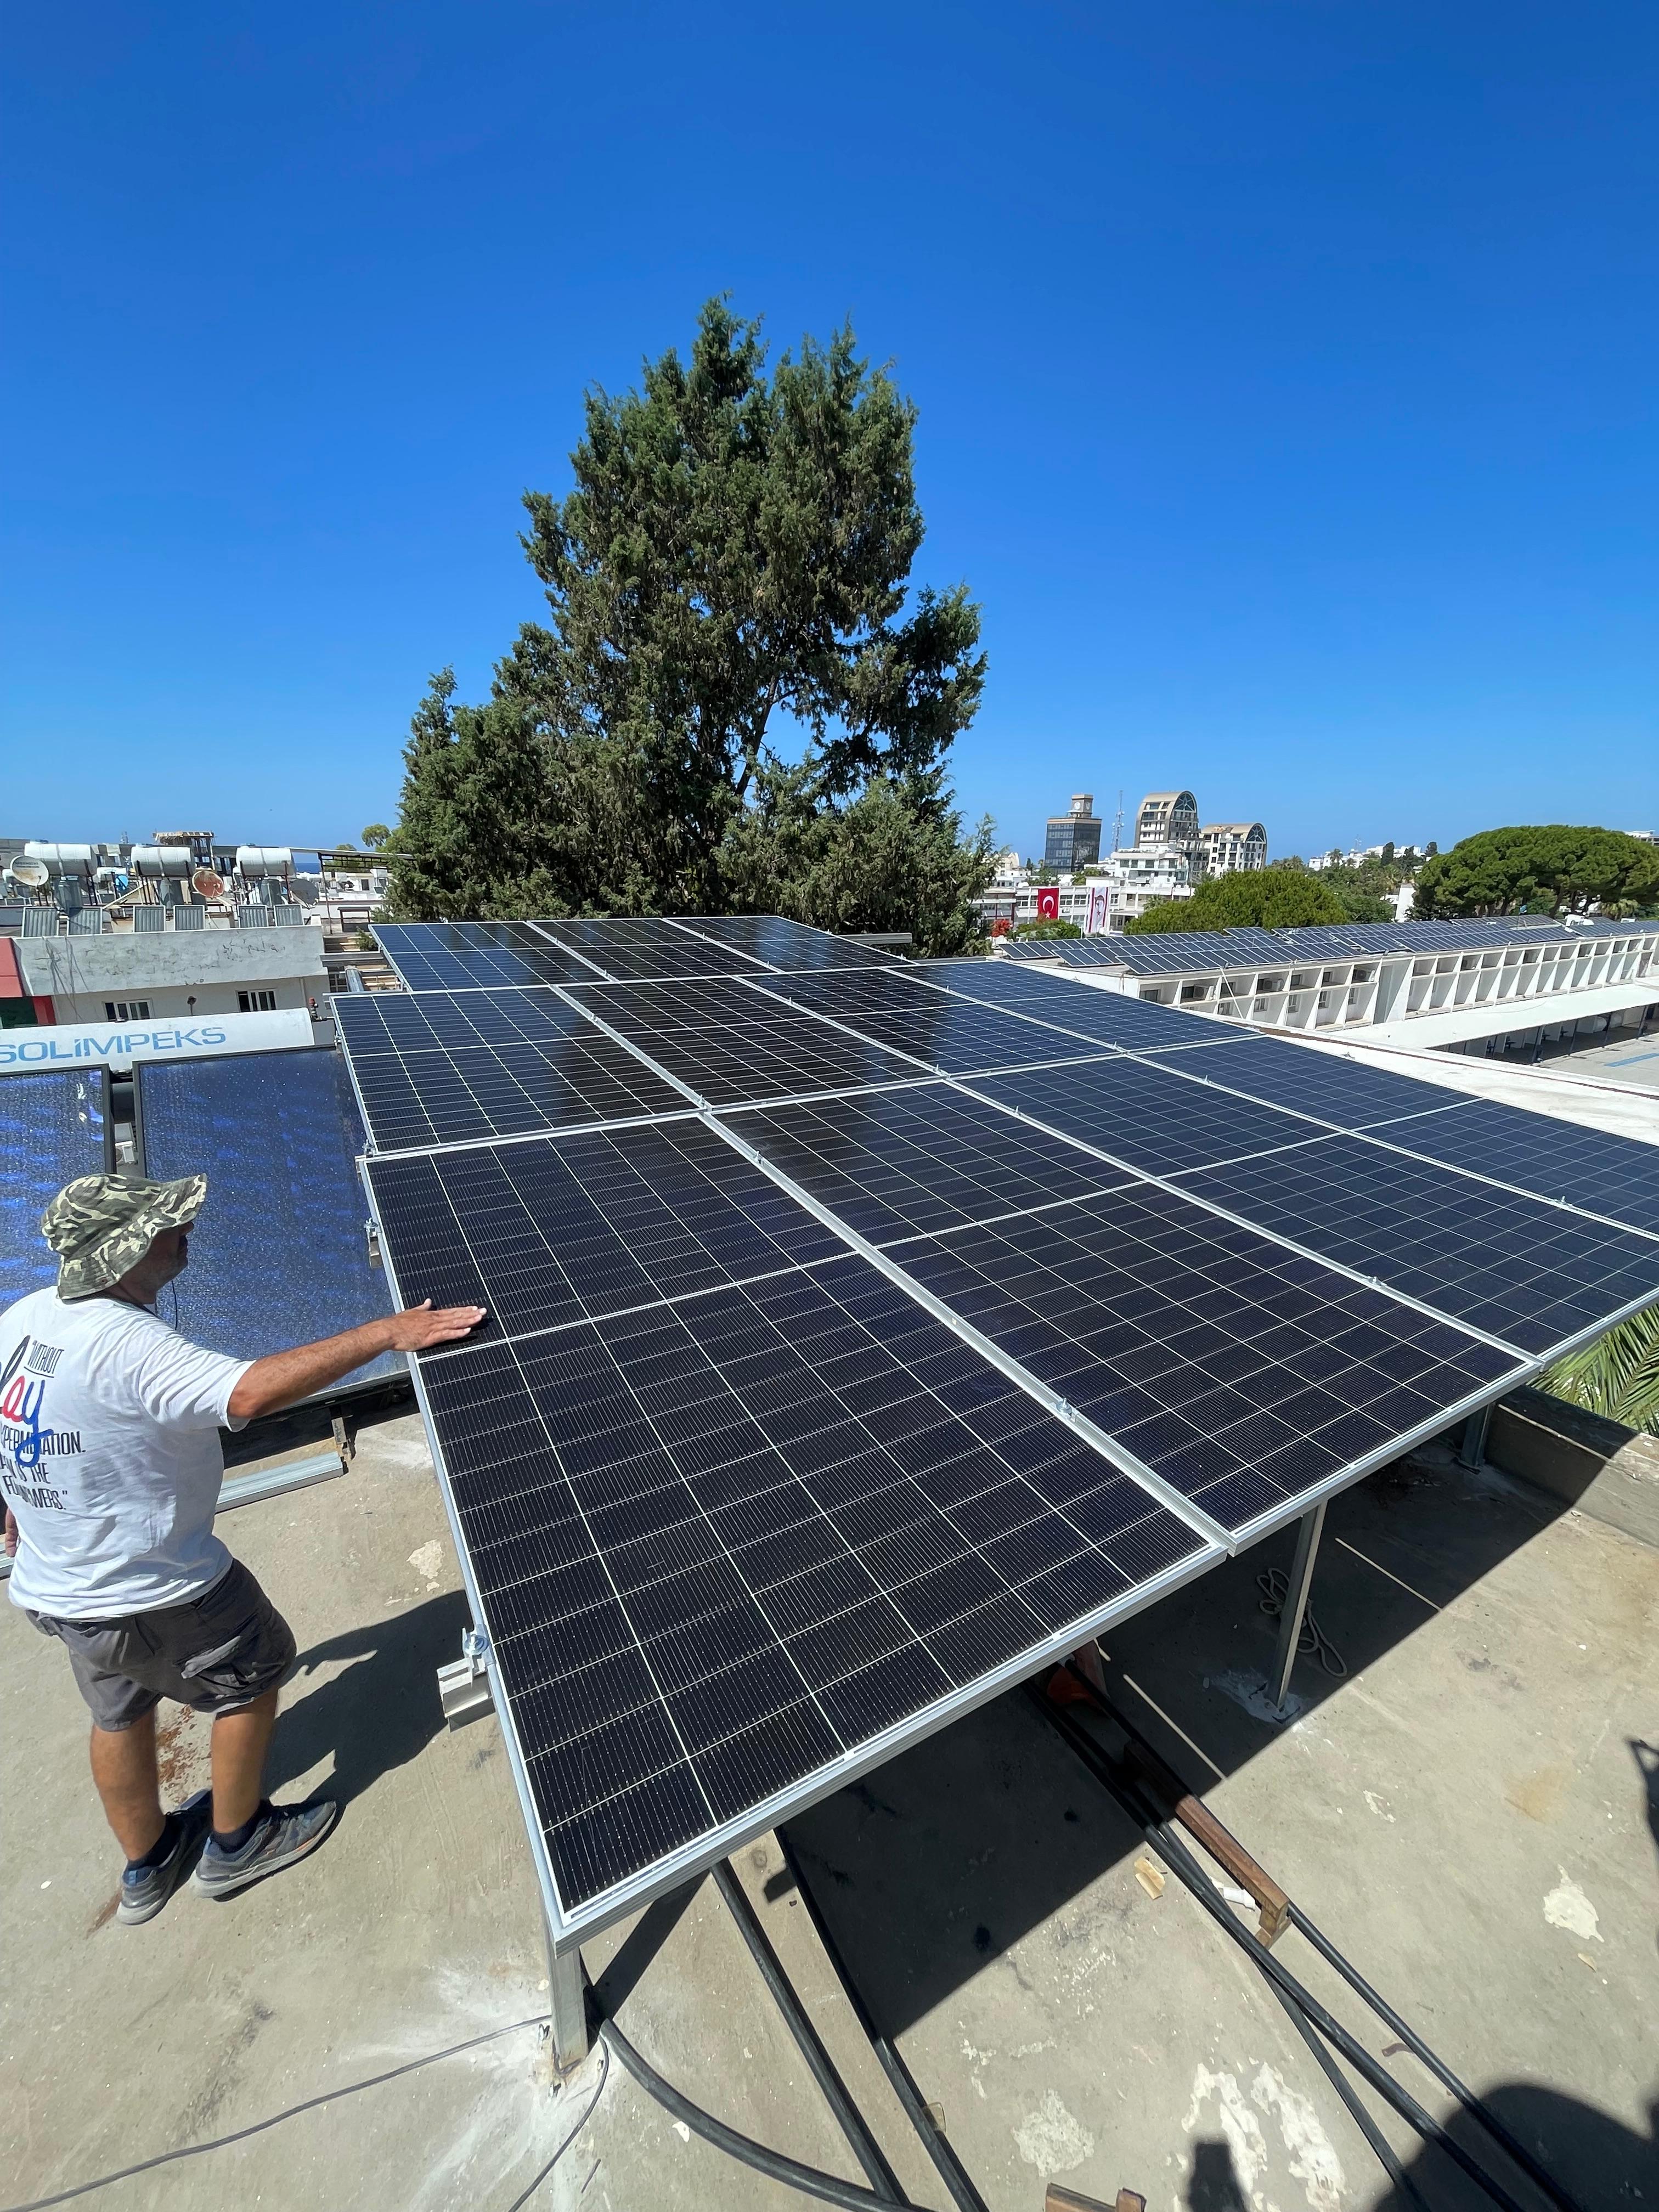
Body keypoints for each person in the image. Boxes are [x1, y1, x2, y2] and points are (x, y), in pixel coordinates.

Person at [1, 1172, 484, 1926]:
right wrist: (387, 1334)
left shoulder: (26, 1317)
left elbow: (17, 1412)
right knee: (254, 1674)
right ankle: (239, 1841)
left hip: (59, 1588)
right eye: (165, 1226)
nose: (184, 1231)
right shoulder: (128, 1346)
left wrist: (12, 1498)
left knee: (119, 1713)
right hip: (155, 1590)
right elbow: (251, 1393)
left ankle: (148, 1864)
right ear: (125, 1252)